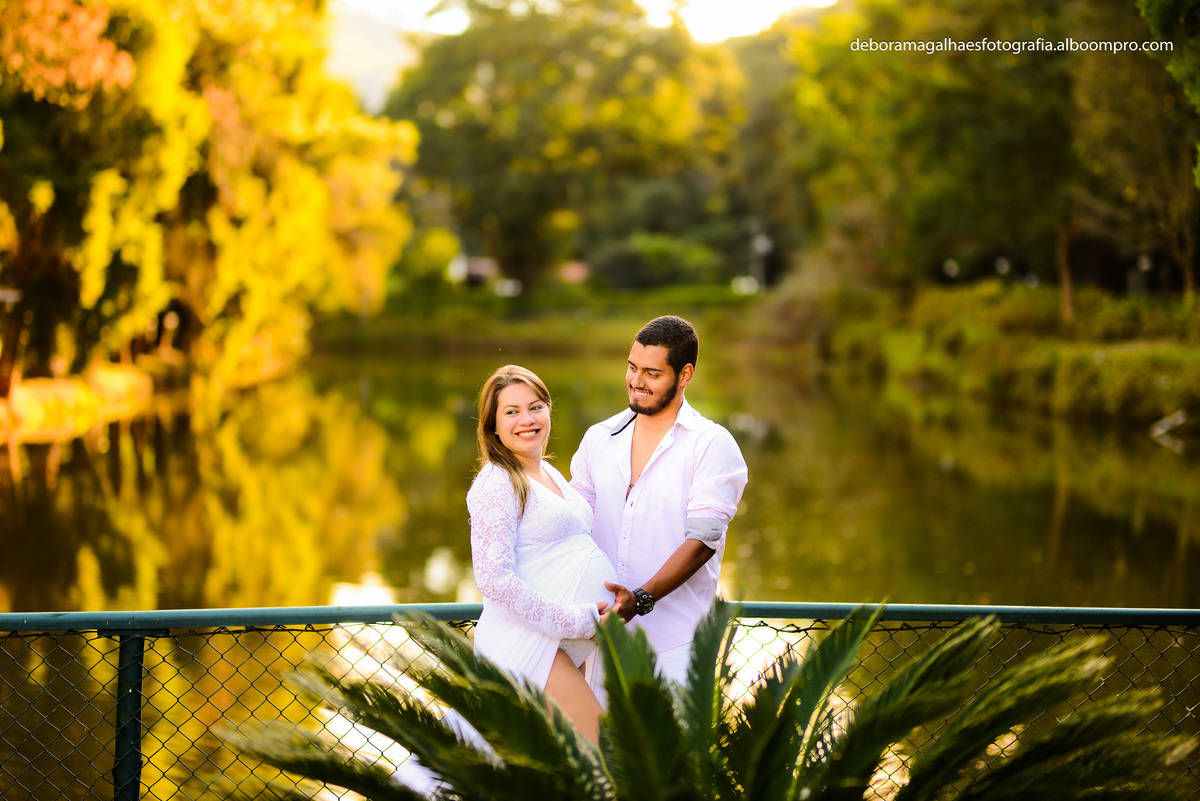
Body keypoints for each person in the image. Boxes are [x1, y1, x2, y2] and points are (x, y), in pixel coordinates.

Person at [570, 315, 748, 687]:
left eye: (652, 373)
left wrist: (640, 599)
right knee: (595, 746)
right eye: (632, 367)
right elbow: (573, 526)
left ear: (684, 375)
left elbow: (701, 544)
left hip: (677, 646)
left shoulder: (711, 445)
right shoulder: (598, 438)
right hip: (600, 640)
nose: (636, 381)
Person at [466, 364, 617, 743]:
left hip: (563, 649)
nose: (526, 420)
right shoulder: (496, 483)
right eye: (511, 412)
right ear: (493, 426)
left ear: (549, 410)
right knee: (608, 755)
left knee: (567, 768)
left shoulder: (550, 473)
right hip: (530, 645)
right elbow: (493, 579)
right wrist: (577, 622)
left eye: (535, 407)